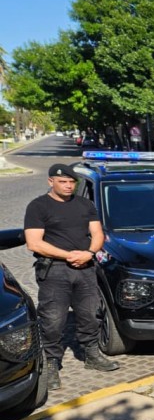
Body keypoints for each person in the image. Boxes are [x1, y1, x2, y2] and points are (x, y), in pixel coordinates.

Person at [24, 164, 119, 390]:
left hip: (85, 267)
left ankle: (91, 355)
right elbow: (34, 242)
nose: (68, 186)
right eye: (63, 182)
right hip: (55, 269)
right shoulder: (38, 206)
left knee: (89, 314)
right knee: (53, 319)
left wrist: (88, 253)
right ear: (51, 182)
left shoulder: (85, 204)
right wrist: (69, 256)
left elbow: (98, 234)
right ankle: (51, 363)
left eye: (71, 182)